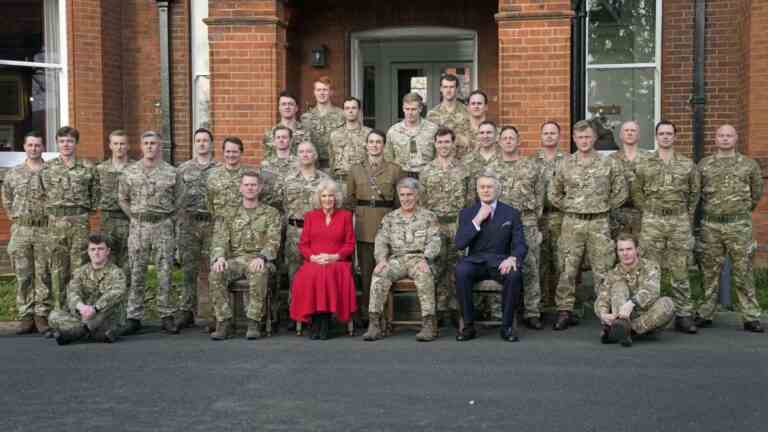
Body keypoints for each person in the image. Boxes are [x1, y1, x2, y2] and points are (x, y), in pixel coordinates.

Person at [549, 120, 627, 331]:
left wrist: (603, 206)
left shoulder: (608, 163)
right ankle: (565, 311)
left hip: (599, 222)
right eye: (580, 137)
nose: (584, 141)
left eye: (587, 137)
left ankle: (606, 315)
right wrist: (571, 206)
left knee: (603, 270)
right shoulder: (565, 163)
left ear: (594, 138)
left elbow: (621, 191)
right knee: (567, 269)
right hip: (572, 222)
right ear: (574, 139)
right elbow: (553, 193)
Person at [695, 124, 764, 332]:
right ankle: (706, 312)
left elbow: (756, 193)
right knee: (709, 271)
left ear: (736, 139)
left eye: (729, 135)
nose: (725, 139)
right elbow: (697, 194)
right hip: (711, 224)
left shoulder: (749, 165)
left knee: (744, 271)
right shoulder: (704, 165)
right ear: (715, 139)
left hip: (738, 225)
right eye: (721, 135)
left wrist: (739, 212)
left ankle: (751, 316)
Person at [633, 121, 700, 334]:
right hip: (652, 221)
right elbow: (636, 191)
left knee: (680, 268)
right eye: (661, 133)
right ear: (656, 136)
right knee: (650, 268)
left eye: (669, 133)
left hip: (679, 221)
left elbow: (694, 194)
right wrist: (650, 211)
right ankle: (651, 313)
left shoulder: (687, 164)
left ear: (675, 137)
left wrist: (685, 216)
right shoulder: (644, 163)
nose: (665, 137)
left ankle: (683, 314)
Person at [362, 177, 441, 342]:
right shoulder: (390, 218)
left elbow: (435, 241)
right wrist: (381, 260)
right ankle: (375, 323)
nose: (406, 199)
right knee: (379, 274)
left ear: (417, 195)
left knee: (424, 275)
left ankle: (428, 324)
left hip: (419, 258)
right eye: (402, 195)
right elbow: (381, 241)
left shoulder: (428, 217)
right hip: (396, 259)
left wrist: (426, 259)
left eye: (410, 194)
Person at [118, 130, 179, 335]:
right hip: (139, 227)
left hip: (163, 226)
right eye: (146, 143)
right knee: (136, 271)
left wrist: (169, 217)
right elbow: (123, 199)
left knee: (165, 272)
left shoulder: (171, 172)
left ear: (160, 145)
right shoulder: (130, 172)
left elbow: (180, 199)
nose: (150, 146)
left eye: (153, 143)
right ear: (141, 146)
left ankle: (166, 314)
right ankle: (133, 316)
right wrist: (135, 216)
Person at [454, 172, 527, 342]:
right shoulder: (467, 213)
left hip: (500, 261)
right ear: (477, 190)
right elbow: (459, 244)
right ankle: (468, 326)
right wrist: (477, 220)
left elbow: (520, 243)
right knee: (461, 270)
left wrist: (513, 258)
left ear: (498, 190)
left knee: (514, 274)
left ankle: (507, 326)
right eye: (482, 187)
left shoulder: (511, 213)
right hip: (475, 262)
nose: (486, 190)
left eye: (490, 187)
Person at [209, 171, 281, 340]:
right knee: (216, 272)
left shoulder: (271, 213)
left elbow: (273, 241)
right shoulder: (228, 214)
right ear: (241, 188)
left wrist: (262, 257)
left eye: (254, 185)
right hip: (236, 260)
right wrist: (219, 257)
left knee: (259, 272)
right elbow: (219, 239)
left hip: (261, 260)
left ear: (260, 188)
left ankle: (253, 321)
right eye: (247, 185)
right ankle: (223, 321)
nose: (250, 188)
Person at [488, 126, 545, 329]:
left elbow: (540, 196)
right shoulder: (491, 168)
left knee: (530, 267)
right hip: (500, 224)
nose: (508, 141)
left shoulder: (531, 166)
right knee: (499, 264)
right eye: (505, 138)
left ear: (518, 141)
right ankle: (499, 311)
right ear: (499, 142)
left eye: (512, 138)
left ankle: (532, 311)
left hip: (526, 221)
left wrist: (533, 218)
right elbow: (486, 196)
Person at [345, 130, 403, 326]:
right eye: (371, 142)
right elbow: (349, 200)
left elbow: (399, 203)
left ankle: (385, 312)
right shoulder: (355, 170)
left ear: (384, 145)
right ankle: (367, 313)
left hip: (386, 225)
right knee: (367, 271)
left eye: (378, 142)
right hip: (363, 226)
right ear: (366, 145)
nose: (375, 145)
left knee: (385, 270)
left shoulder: (395, 170)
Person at [290, 180, 357, 340]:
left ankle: (324, 322)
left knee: (326, 272)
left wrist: (334, 256)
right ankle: (316, 321)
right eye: (324, 196)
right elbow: (303, 244)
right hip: (314, 260)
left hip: (338, 262)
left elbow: (350, 244)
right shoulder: (310, 216)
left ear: (336, 198)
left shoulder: (345, 216)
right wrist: (313, 257)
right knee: (313, 273)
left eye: (331, 196)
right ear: (319, 198)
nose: (328, 199)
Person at [419, 127, 471, 326]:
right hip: (435, 225)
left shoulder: (464, 169)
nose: (443, 146)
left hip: (457, 224)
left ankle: (458, 308)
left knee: (458, 267)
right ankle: (439, 309)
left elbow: (470, 199)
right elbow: (421, 201)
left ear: (453, 143)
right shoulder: (426, 171)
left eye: (447, 142)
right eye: (440, 142)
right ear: (434, 144)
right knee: (437, 267)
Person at [2, 130, 51, 335]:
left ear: (43, 147)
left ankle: (41, 314)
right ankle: (26, 314)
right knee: (23, 274)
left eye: (37, 145)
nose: (34, 148)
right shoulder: (13, 173)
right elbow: (6, 199)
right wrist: (17, 218)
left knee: (44, 273)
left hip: (44, 228)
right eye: (30, 145)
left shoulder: (50, 172)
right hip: (21, 228)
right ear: (24, 147)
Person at [41, 126, 95, 311]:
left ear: (76, 143)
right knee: (57, 269)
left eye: (70, 141)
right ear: (57, 143)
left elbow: (95, 194)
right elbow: (41, 195)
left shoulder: (87, 167)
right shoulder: (47, 168)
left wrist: (83, 212)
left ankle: (79, 310)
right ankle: (60, 311)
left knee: (79, 268)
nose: (66, 144)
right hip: (55, 224)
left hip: (79, 222)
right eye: (62, 141)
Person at [175, 128, 221, 329]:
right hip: (189, 224)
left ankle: (214, 313)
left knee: (214, 269)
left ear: (211, 144)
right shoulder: (183, 169)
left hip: (212, 223)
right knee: (188, 269)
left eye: (205, 140)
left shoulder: (219, 168)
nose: (202, 144)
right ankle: (186, 311)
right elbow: (175, 199)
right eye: (198, 140)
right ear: (194, 144)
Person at [282, 141, 331, 326]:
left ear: (315, 155)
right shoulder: (288, 180)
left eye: (309, 151)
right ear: (297, 155)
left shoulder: (325, 180)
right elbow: (284, 205)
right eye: (301, 151)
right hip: (295, 230)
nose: (305, 154)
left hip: (317, 233)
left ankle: (315, 313)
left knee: (317, 274)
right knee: (295, 274)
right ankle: (295, 314)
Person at [596, 234, 674, 347]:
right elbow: (602, 298)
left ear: (637, 250)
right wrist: (602, 314)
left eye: (629, 249)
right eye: (621, 250)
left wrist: (632, 303)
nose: (625, 253)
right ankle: (621, 327)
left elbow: (652, 290)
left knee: (668, 303)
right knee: (618, 285)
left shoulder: (650, 267)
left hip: (647, 315)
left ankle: (628, 331)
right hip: (621, 315)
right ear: (617, 252)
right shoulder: (612, 274)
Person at [49, 234, 127, 345]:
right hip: (85, 315)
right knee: (54, 315)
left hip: (105, 317)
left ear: (108, 251)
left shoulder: (116, 272)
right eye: (93, 249)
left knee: (108, 307)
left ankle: (77, 332)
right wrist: (81, 307)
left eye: (100, 249)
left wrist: (95, 308)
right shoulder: (80, 271)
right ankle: (96, 335)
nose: (96, 252)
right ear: (88, 252)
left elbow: (117, 293)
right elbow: (72, 292)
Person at [533, 121, 566, 307]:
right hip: (539, 218)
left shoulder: (567, 161)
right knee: (540, 262)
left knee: (561, 262)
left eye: (553, 133)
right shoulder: (532, 161)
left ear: (559, 136)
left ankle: (561, 305)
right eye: (546, 133)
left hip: (561, 217)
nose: (549, 136)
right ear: (541, 136)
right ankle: (542, 304)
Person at [94, 130, 135, 275]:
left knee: (129, 261)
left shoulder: (136, 169)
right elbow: (94, 193)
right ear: (110, 146)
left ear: (128, 146)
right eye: (116, 144)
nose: (119, 147)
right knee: (107, 260)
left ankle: (128, 294)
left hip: (129, 219)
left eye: (122, 144)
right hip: (107, 220)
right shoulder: (100, 169)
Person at [609, 121, 649, 238]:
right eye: (626, 131)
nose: (630, 133)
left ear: (639, 135)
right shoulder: (611, 160)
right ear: (621, 135)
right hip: (618, 215)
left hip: (644, 215)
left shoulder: (649, 159)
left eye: (633, 130)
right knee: (621, 251)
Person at [385, 92, 438, 178]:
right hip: (401, 175)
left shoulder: (433, 129)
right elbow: (388, 158)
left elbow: (438, 155)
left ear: (420, 109)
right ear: (403, 108)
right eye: (407, 109)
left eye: (413, 109)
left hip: (427, 175)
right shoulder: (393, 131)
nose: (410, 113)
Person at [301, 77, 345, 170]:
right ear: (314, 92)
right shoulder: (306, 118)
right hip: (313, 167)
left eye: (325, 90)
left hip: (335, 166)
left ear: (331, 92)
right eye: (318, 90)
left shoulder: (341, 115)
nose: (322, 93)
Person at [328, 97, 371, 192]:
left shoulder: (368, 134)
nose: (350, 111)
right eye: (347, 108)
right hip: (340, 182)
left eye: (353, 108)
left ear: (359, 111)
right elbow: (332, 159)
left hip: (362, 181)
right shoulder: (335, 134)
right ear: (343, 111)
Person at [427, 74, 472, 159]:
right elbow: (430, 142)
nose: (448, 90)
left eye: (451, 87)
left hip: (464, 161)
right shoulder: (432, 114)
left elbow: (473, 136)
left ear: (457, 89)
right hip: (442, 162)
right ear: (441, 89)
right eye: (445, 87)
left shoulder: (468, 112)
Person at [263, 91, 308, 159]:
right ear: (279, 108)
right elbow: (267, 159)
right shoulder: (270, 133)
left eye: (290, 104)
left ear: (296, 108)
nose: (287, 107)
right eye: (283, 104)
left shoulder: (306, 132)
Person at [461, 120, 500, 197]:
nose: (485, 136)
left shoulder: (504, 158)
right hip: (474, 207)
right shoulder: (467, 160)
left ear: (496, 136)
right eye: (482, 133)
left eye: (489, 132)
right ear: (478, 136)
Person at [466, 90, 489, 157]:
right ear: (468, 107)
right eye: (473, 103)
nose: (476, 106)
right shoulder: (457, 132)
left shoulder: (496, 133)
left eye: (479, 103)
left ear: (486, 107)